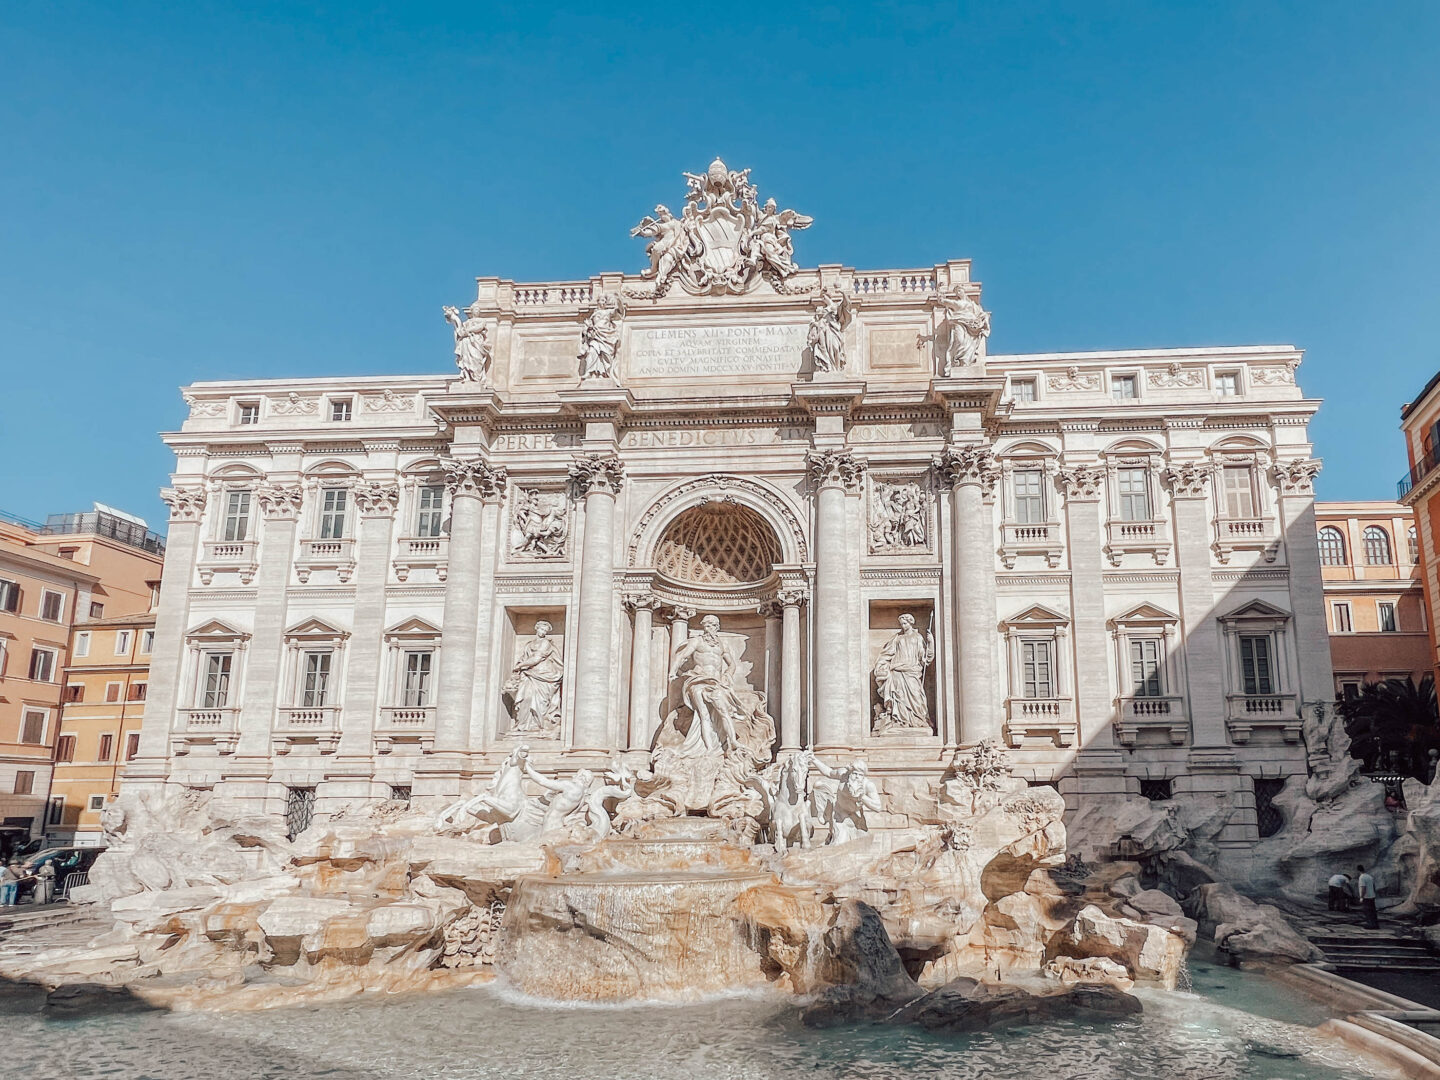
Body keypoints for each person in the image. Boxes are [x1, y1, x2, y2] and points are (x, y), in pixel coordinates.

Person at [1356, 864, 1379, 929]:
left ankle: (1370, 924)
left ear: (1358, 870)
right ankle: (1375, 924)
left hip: (1366, 897)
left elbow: (1363, 888)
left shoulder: (1361, 877)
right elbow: (1374, 886)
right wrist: (1373, 894)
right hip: (1372, 896)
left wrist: (1361, 897)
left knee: (1367, 911)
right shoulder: (1369, 876)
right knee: (1373, 911)